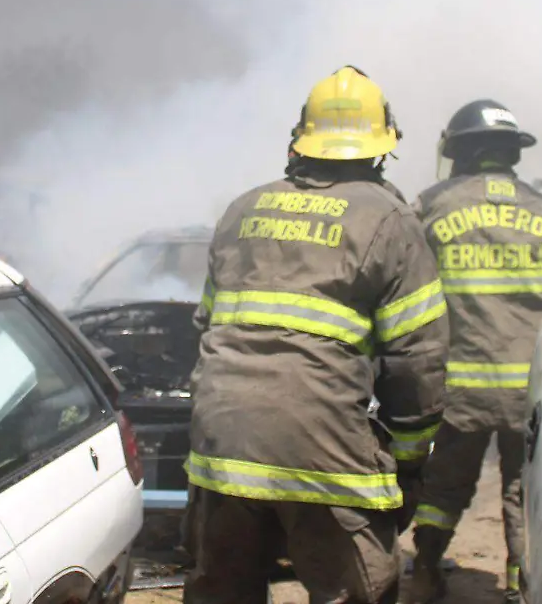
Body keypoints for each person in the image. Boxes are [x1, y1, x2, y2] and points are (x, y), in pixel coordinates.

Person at [183, 66, 450, 604]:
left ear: (299, 140)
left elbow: (204, 326)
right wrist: (409, 463)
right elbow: (418, 361)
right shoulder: (391, 221)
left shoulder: (242, 210)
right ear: (381, 148)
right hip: (325, 455)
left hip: (221, 448)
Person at [407, 99, 542, 604]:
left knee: (444, 487)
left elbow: (405, 291)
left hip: (460, 388)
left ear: (459, 151)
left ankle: (427, 570)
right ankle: (521, 583)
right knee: (524, 491)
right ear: (510, 154)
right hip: (532, 391)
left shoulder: (432, 208)